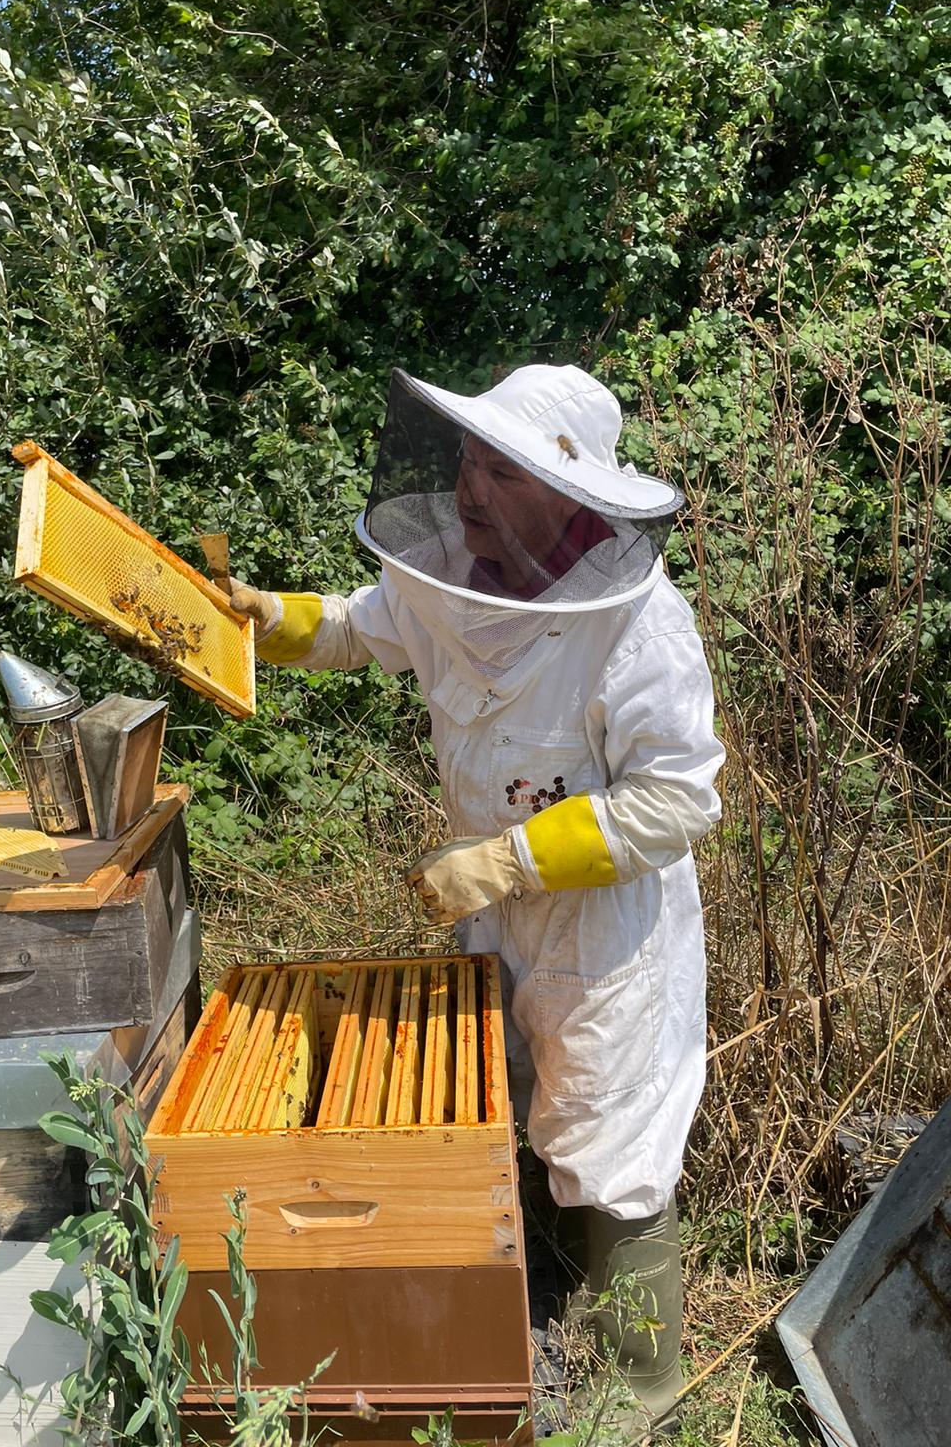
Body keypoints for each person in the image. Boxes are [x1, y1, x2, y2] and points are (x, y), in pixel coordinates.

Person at [228, 363, 724, 1439]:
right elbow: (359, 626)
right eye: (466, 456)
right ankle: (522, 1303)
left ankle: (640, 1387)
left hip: (606, 932)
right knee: (495, 1090)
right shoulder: (454, 571)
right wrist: (268, 619)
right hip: (495, 909)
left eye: (498, 467)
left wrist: (508, 859)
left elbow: (679, 802)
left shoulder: (638, 625)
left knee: (611, 1139)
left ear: (565, 489)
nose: (468, 486)